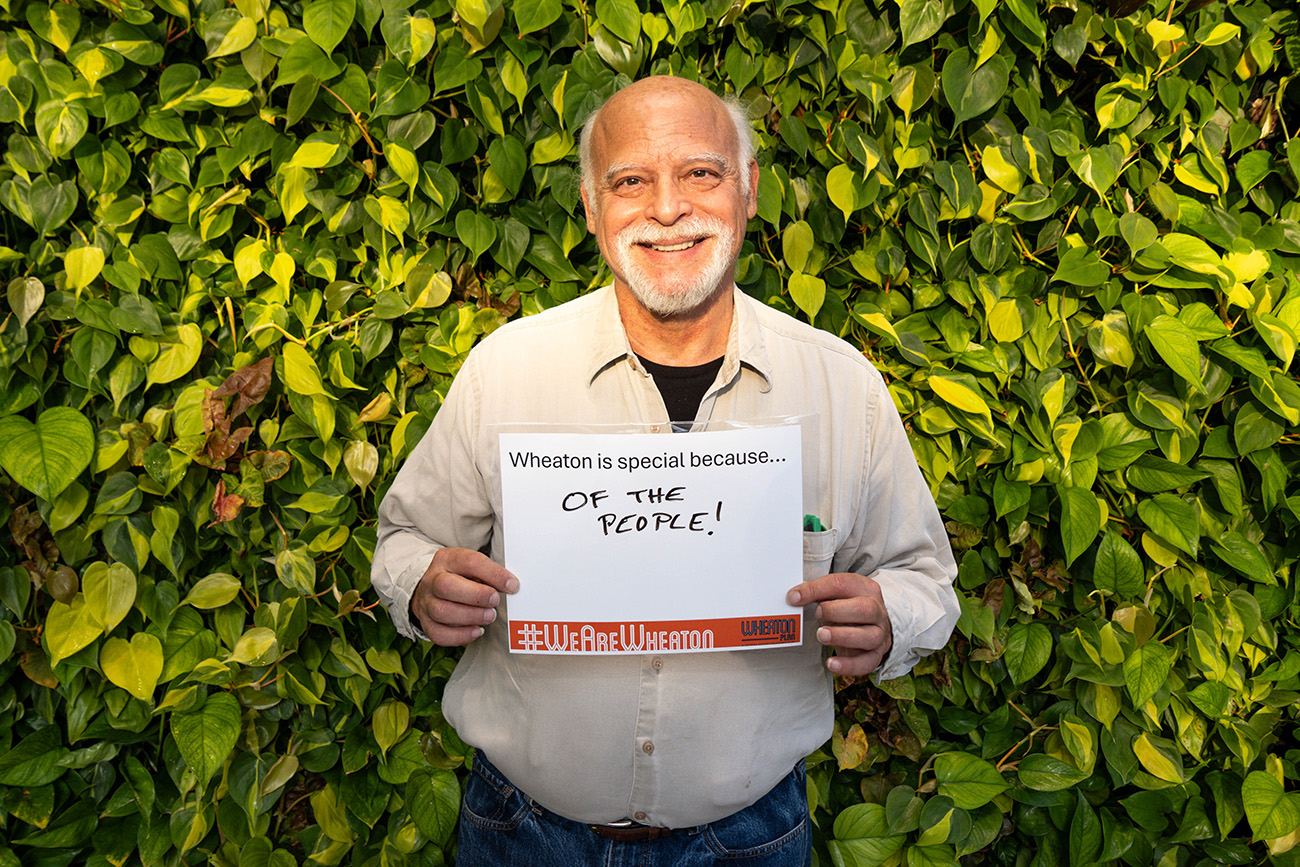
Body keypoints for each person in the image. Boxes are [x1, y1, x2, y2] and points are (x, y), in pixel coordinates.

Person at [372, 76, 959, 866]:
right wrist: (423, 584)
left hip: (748, 839)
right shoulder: (503, 371)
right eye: (631, 181)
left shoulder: (841, 386)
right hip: (522, 832)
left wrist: (890, 618)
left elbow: (924, 576)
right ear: (590, 206)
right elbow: (405, 538)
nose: (668, 207)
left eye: (701, 173)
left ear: (749, 188)